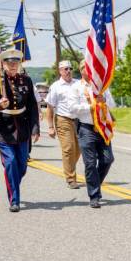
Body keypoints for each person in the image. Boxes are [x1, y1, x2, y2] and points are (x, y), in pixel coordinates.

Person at [0, 49, 40, 212]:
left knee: (21, 165)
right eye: (10, 62)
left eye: (16, 62)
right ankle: (14, 200)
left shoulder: (26, 80)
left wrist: (35, 127)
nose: (13, 65)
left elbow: (32, 106)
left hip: (22, 128)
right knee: (10, 162)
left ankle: (13, 182)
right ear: (3, 64)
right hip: (3, 129)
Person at [69, 60, 115, 209]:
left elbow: (113, 104)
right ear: (81, 70)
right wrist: (90, 106)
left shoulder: (102, 87)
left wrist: (104, 100)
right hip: (86, 128)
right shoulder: (76, 87)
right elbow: (72, 108)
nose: (90, 71)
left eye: (92, 68)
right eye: (86, 68)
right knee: (90, 163)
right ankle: (94, 196)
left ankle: (95, 184)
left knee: (108, 160)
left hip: (102, 127)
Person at [46, 60, 81, 189]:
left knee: (78, 150)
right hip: (63, 119)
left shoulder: (78, 84)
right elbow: (50, 107)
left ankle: (68, 167)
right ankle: (71, 178)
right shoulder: (56, 86)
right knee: (68, 148)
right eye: (65, 69)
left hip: (78, 120)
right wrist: (50, 127)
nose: (68, 71)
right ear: (60, 71)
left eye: (70, 68)